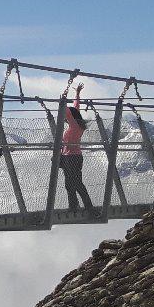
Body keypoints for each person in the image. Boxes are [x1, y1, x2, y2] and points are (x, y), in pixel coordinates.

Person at [59, 83, 94, 211]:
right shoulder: (76, 124)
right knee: (70, 183)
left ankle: (85, 205)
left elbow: (69, 110)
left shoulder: (74, 125)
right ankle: (75, 205)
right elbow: (75, 107)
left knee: (75, 182)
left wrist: (63, 99)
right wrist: (77, 94)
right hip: (70, 157)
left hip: (72, 157)